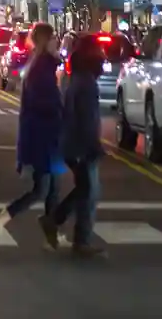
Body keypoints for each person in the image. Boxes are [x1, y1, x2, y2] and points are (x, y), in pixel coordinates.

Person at [0, 23, 63, 248]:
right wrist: (63, 115)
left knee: (53, 187)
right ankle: (2, 218)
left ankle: (53, 236)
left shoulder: (41, 66)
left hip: (47, 135)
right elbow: (45, 104)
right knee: (42, 189)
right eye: (54, 38)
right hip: (44, 136)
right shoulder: (42, 68)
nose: (57, 42)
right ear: (44, 41)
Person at [39, 34, 105, 257]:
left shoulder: (78, 77)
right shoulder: (85, 82)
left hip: (74, 143)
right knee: (89, 192)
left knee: (86, 189)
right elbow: (84, 118)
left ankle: (56, 220)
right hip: (81, 145)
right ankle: (81, 240)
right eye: (100, 52)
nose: (104, 57)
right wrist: (92, 145)